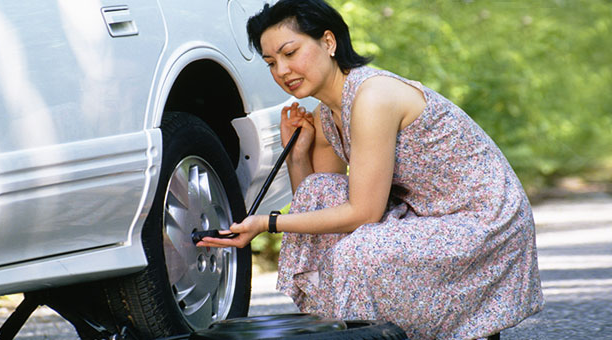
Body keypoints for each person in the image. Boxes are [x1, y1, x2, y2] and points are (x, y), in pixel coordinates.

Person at [197, 0, 544, 338]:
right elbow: (318, 206)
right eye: (270, 62)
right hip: (424, 217)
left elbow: (363, 212)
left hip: (482, 221)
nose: (282, 71)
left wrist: (267, 223)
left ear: (329, 42)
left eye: (290, 53)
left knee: (358, 253)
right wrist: (298, 155)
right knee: (323, 191)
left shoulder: (373, 97)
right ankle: (336, 328)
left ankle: (372, 331)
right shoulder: (324, 115)